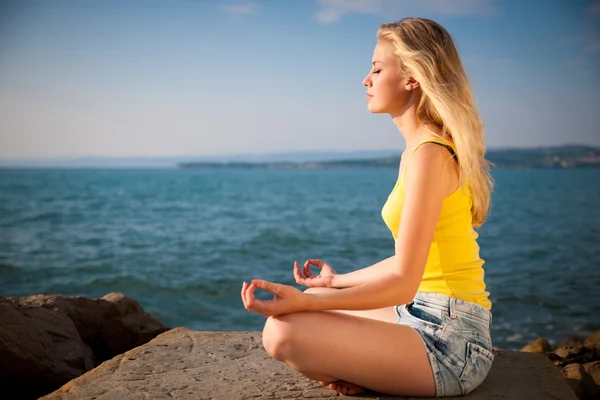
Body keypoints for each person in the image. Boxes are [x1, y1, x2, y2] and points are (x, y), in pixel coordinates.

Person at [241, 17, 494, 397]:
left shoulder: (430, 156)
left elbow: (404, 281)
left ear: (413, 77)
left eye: (377, 69)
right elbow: (413, 262)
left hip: (452, 340)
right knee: (314, 300)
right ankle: (374, 369)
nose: (366, 80)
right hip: (422, 310)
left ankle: (379, 371)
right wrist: (335, 282)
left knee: (283, 330)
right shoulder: (419, 151)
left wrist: (305, 307)